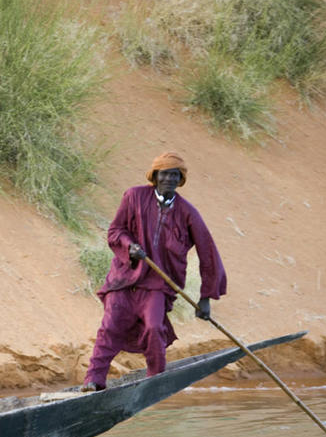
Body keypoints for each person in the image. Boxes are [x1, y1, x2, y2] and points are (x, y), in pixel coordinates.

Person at [82, 151, 227, 391]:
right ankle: (93, 381)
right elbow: (116, 231)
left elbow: (208, 252)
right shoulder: (134, 196)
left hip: (158, 285)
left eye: (175, 175)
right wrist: (130, 247)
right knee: (110, 326)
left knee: (154, 328)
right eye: (165, 174)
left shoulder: (188, 212)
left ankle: (155, 380)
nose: (169, 179)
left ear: (181, 179)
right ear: (155, 175)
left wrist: (206, 297)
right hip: (124, 279)